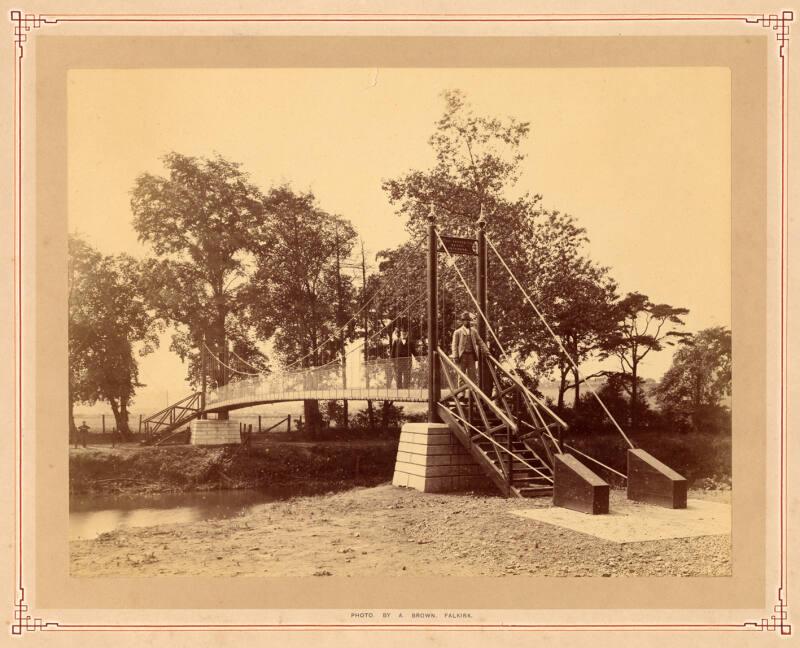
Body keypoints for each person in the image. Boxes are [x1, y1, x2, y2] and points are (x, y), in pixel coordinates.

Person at [451, 311, 489, 386]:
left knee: (473, 376)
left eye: (469, 320)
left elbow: (480, 341)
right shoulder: (457, 332)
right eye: (466, 320)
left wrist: (486, 350)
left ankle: (472, 392)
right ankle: (461, 392)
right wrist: (455, 356)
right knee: (461, 376)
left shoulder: (474, 331)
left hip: (471, 356)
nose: (468, 322)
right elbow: (454, 345)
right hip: (462, 356)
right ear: (463, 321)